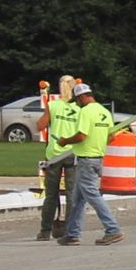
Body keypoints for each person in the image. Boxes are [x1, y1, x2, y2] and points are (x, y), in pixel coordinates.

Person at [55, 82, 125, 247]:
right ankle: (72, 234)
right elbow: (112, 136)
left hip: (86, 158)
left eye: (77, 99)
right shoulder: (104, 111)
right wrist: (97, 142)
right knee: (78, 198)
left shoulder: (86, 111)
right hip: (97, 158)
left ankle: (112, 229)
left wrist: (65, 141)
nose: (77, 103)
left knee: (92, 195)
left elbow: (81, 136)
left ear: (80, 97)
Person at [35, 74, 78, 240]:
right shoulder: (79, 109)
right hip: (73, 153)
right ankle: (69, 229)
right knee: (71, 193)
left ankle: (45, 231)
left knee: (51, 194)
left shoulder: (52, 105)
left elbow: (40, 125)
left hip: (54, 154)